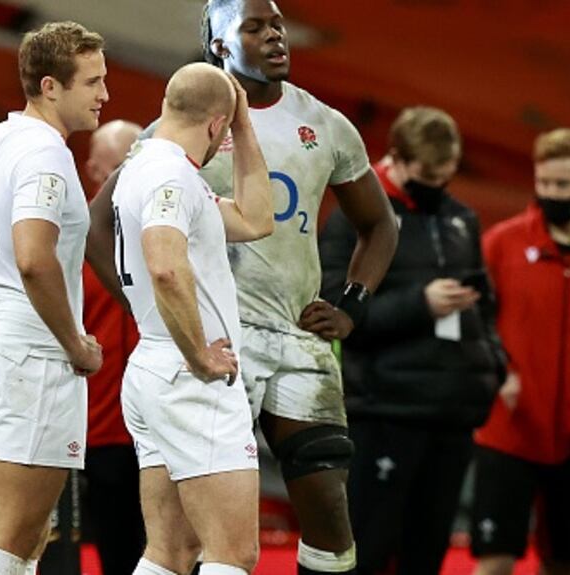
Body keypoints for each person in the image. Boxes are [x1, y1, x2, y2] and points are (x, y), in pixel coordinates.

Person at [88, 2, 398, 573]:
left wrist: (352, 304)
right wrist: (157, 314)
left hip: (297, 338)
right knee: (198, 543)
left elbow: (375, 224)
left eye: (277, 24)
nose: (275, 36)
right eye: (254, 27)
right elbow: (98, 227)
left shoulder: (324, 123)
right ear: (220, 43)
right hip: (216, 346)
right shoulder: (175, 138)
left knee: (329, 516)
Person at [0, 20, 107, 575]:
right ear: (49, 87)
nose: (105, 95)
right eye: (92, 82)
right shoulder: (46, 153)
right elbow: (35, 259)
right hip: (32, 354)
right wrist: (75, 343)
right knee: (12, 540)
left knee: (27, 538)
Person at [319, 107, 504, 574]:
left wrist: (492, 365)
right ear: (397, 159)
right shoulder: (354, 218)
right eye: (427, 178)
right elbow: (335, 311)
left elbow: (485, 305)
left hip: (452, 412)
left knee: (427, 554)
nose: (437, 187)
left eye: (445, 177)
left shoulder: (461, 219)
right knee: (369, 550)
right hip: (385, 410)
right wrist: (420, 304)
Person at [114, 62, 273, 575]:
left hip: (155, 369)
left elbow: (256, 219)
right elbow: (164, 265)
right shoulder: (172, 177)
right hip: (188, 377)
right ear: (214, 124)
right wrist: (199, 354)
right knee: (234, 552)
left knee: (170, 551)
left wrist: (242, 128)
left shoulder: (146, 165)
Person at [470, 129, 570, 575]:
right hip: (508, 433)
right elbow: (474, 324)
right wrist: (496, 375)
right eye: (543, 183)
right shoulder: (501, 244)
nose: (550, 194)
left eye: (562, 185)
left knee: (566, 562)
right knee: (493, 560)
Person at [82, 119, 146, 575]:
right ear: (93, 171)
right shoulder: (69, 238)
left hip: (162, 422)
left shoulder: (166, 226)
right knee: (118, 552)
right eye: (117, 167)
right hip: (101, 424)